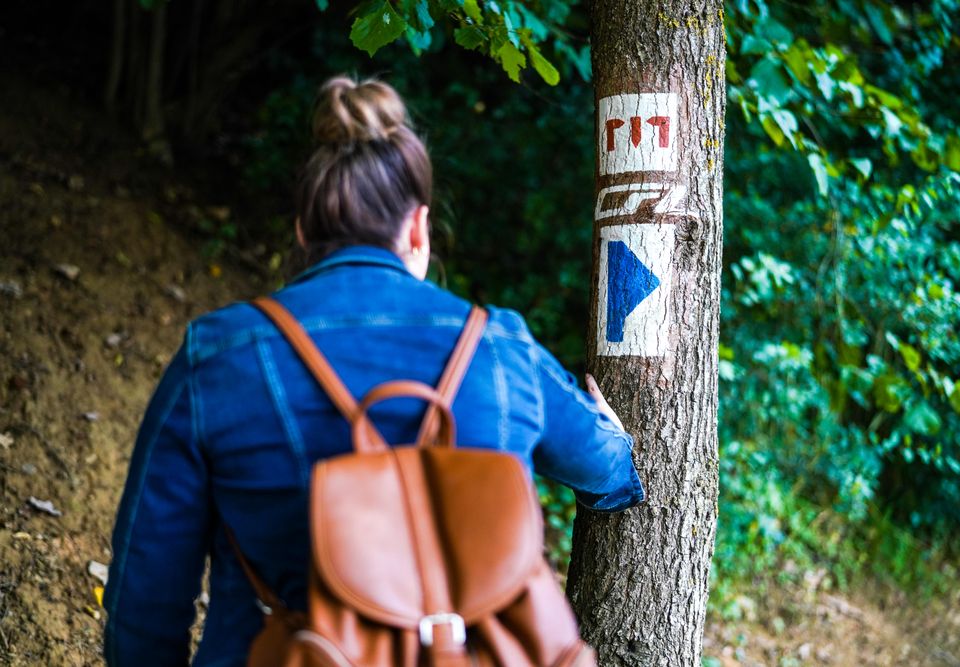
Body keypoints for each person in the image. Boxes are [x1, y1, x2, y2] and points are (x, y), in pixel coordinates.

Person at [103, 75, 644, 667]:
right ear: (418, 228)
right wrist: (614, 441)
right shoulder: (499, 345)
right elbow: (607, 470)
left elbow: (146, 604)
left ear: (304, 231)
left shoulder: (218, 355)